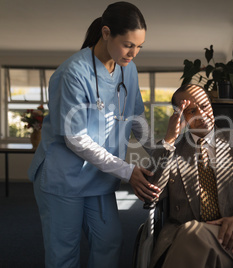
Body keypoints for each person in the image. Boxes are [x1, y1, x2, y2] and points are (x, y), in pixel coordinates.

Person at [28, 2, 160, 267]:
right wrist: (126, 171)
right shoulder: (72, 73)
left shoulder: (128, 69)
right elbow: (75, 138)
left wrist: (162, 151)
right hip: (63, 179)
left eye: (139, 46)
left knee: (109, 242)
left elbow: (135, 118)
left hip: (99, 177)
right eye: (128, 45)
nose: (133, 53)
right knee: (64, 253)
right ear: (106, 33)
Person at [146, 84, 233, 268]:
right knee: (191, 233)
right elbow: (151, 190)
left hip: (232, 239)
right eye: (192, 110)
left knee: (191, 235)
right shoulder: (172, 151)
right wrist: (169, 140)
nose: (201, 114)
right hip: (181, 237)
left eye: (204, 105)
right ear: (180, 117)